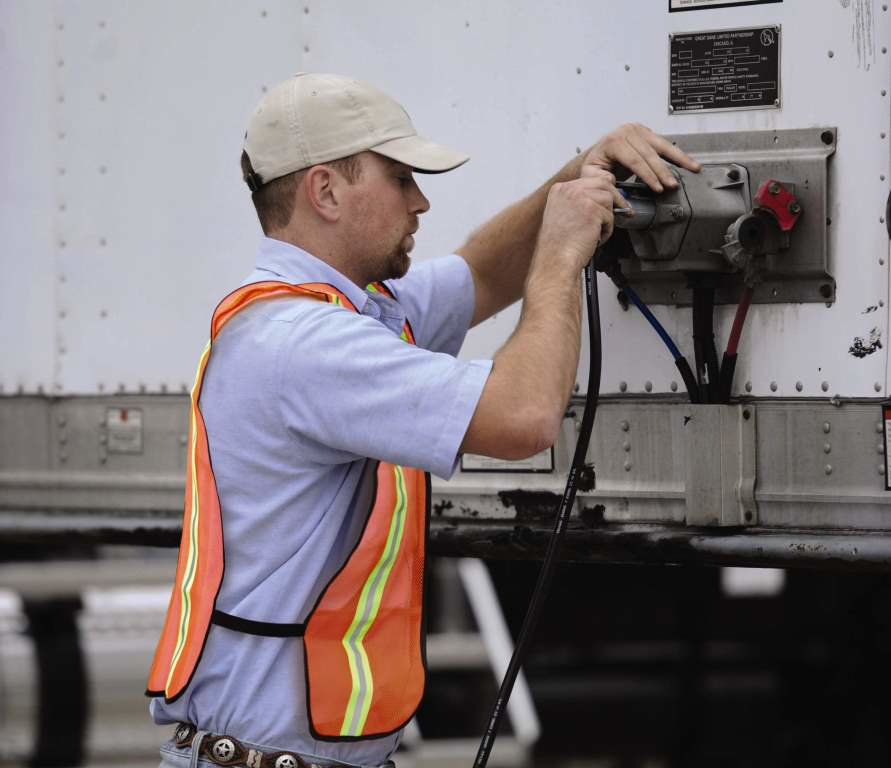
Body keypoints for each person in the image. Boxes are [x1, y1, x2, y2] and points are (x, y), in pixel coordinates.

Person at [147, 72, 699, 768]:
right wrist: (560, 256)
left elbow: (482, 272)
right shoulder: (308, 343)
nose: (421, 200)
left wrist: (582, 171)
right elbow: (524, 416)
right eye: (401, 177)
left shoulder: (333, 315)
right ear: (325, 191)